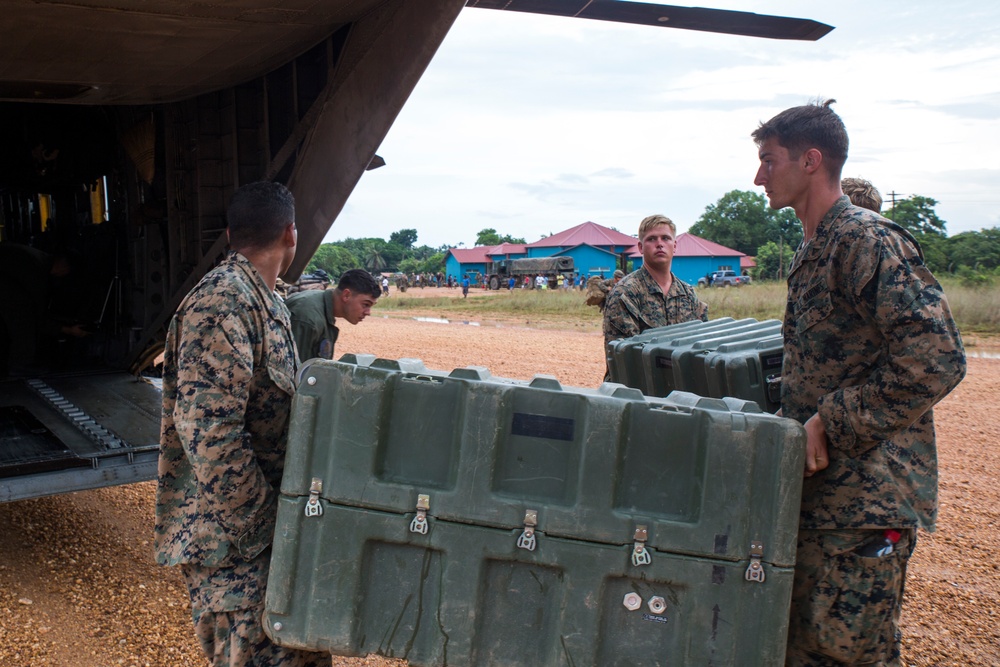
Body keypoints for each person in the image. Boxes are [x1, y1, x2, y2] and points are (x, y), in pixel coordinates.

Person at [751, 100, 966, 666]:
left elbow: (938, 355)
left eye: (768, 161)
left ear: (811, 160)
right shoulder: (815, 247)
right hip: (828, 503)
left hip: (865, 503)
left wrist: (832, 420)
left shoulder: (865, 240)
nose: (758, 176)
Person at [154, 181, 331, 667]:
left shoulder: (267, 300)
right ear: (291, 234)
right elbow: (210, 435)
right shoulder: (223, 303)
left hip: (264, 534)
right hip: (233, 543)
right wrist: (268, 527)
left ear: (231, 233)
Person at [603, 216, 708, 347]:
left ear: (674, 246)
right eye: (651, 239)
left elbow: (700, 345)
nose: (659, 244)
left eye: (666, 238)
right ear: (641, 247)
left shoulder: (687, 294)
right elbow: (621, 357)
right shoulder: (625, 293)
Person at [286, 269, 380, 362]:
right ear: (346, 295)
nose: (368, 312)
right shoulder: (308, 318)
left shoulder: (323, 308)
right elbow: (296, 371)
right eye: (366, 304)